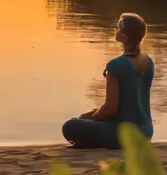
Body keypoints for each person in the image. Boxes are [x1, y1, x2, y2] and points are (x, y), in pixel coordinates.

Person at [62, 13, 154, 149]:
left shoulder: (115, 65)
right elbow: (125, 104)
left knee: (70, 126)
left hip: (124, 134)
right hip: (145, 133)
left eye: (117, 27)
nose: (115, 29)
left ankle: (91, 141)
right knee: (85, 117)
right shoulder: (148, 61)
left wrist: (88, 118)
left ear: (124, 35)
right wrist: (91, 115)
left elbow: (110, 108)